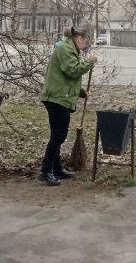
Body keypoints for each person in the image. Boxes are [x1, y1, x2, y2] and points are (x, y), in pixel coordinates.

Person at [39, 26, 96, 186]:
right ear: (79, 39)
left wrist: (82, 92)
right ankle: (45, 171)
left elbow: (66, 79)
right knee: (59, 135)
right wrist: (89, 62)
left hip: (59, 96)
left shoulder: (68, 48)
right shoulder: (65, 49)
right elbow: (72, 71)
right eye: (85, 43)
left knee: (57, 135)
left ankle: (56, 169)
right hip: (57, 98)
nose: (85, 47)